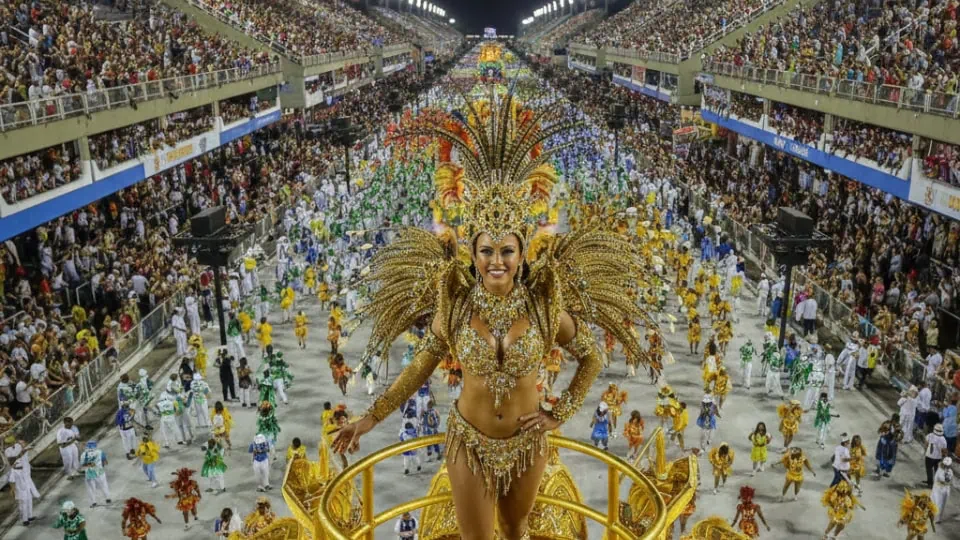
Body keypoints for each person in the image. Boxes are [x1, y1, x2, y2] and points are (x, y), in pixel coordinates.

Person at [332, 89, 654, 540]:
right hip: (468, 440)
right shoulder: (458, 303)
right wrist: (370, 417)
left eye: (506, 250)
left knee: (516, 529)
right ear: (473, 252)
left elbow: (592, 356)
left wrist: (559, 413)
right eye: (486, 250)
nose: (495, 260)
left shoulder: (544, 306)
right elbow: (423, 363)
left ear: (522, 253)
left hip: (528, 443)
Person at [6, 436, 39, 525]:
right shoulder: (8, 452)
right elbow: (11, 461)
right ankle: (24, 519)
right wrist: (13, 489)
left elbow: (25, 446)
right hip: (19, 483)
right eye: (9, 443)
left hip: (24, 476)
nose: (11, 444)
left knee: (29, 498)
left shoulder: (18, 446)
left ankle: (30, 515)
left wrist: (24, 448)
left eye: (12, 442)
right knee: (23, 500)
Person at [80, 440, 110, 507]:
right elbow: (105, 462)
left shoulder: (83, 454)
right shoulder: (100, 452)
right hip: (100, 472)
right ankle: (108, 498)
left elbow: (82, 465)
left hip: (89, 474)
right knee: (104, 485)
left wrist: (89, 464)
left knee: (91, 488)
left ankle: (94, 502)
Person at [924, 424, 947, 488]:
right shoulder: (943, 439)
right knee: (937, 470)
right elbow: (944, 450)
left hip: (929, 456)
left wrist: (926, 450)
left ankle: (930, 482)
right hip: (938, 458)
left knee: (929, 470)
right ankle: (936, 484)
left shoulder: (930, 435)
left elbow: (926, 444)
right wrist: (944, 457)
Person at [931, 457, 952, 524]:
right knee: (935, 502)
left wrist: (947, 488)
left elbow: (949, 482)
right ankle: (932, 515)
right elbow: (935, 479)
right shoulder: (940, 469)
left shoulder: (950, 472)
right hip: (937, 489)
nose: (946, 466)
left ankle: (938, 519)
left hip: (944, 490)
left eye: (947, 465)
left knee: (941, 505)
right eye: (945, 465)